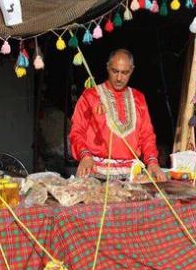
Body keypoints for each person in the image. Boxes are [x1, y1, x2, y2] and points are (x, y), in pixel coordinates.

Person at [69, 49, 167, 182]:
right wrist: (85, 156)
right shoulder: (91, 96)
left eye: (125, 73)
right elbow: (77, 131)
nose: (119, 78)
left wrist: (152, 161)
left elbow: (147, 135)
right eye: (115, 71)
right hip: (94, 172)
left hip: (131, 175)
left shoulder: (138, 98)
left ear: (132, 70)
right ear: (108, 67)